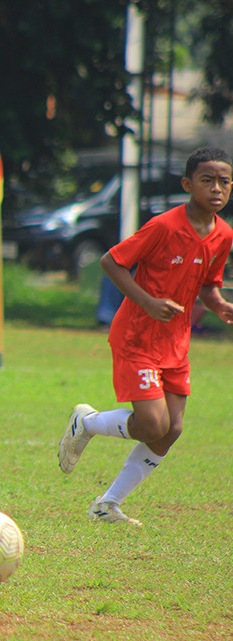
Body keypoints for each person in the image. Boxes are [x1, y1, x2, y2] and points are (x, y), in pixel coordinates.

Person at [57, 147, 233, 527]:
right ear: (188, 185)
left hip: (175, 343)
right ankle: (86, 423)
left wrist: (219, 305)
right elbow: (111, 261)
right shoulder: (164, 226)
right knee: (152, 423)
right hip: (137, 336)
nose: (216, 188)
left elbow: (208, 285)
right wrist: (149, 302)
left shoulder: (223, 235)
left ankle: (107, 504)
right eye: (207, 180)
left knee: (172, 430)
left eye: (224, 181)